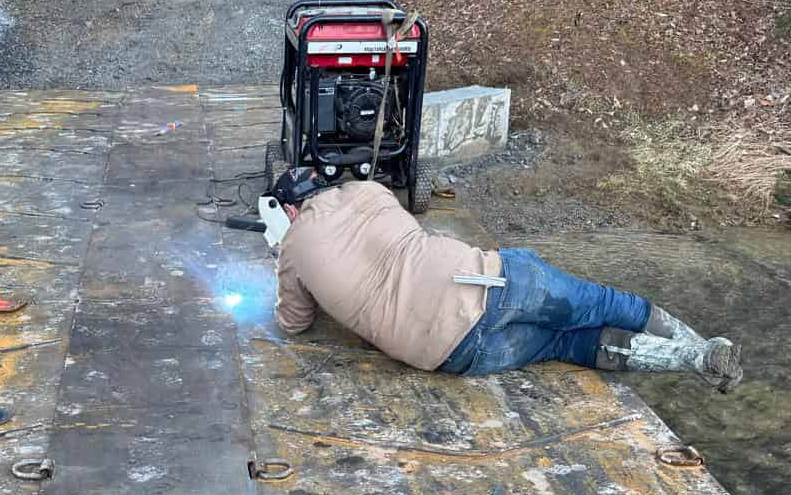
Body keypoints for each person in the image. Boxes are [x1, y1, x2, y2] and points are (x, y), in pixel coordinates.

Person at [271, 167, 742, 392]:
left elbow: (294, 323)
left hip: (450, 354)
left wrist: (285, 260)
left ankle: (693, 356)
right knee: (599, 303)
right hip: (487, 283)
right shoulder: (369, 191)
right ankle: (700, 351)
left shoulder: (292, 247)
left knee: (572, 346)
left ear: (290, 210)